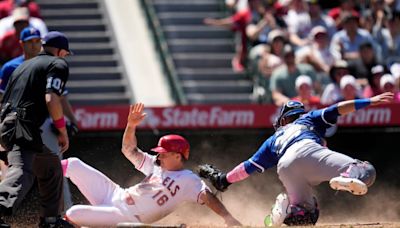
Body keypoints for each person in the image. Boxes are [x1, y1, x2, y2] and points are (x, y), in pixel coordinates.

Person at [199, 92, 393, 226]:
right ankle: (349, 175)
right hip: (309, 150)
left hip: (285, 166)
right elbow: (337, 109)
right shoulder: (307, 118)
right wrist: (368, 101)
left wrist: (224, 180)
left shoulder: (273, 139)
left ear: (283, 120)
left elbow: (247, 167)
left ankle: (284, 212)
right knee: (366, 171)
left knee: (305, 217)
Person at [62, 103, 241, 227]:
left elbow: (207, 197)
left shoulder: (188, 179)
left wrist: (228, 218)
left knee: (74, 213)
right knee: (73, 164)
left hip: (126, 216)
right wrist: (131, 126)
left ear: (177, 156)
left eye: (163, 153)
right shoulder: (155, 164)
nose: (158, 155)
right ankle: (37, 170)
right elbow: (129, 150)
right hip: (114, 193)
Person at [0, 31, 74, 227]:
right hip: (22, 126)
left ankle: (50, 220)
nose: (65, 58)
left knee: (51, 167)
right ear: (59, 51)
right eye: (66, 54)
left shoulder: (21, 67)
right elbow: (52, 98)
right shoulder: (57, 63)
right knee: (23, 170)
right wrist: (62, 129)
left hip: (10, 125)